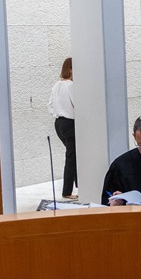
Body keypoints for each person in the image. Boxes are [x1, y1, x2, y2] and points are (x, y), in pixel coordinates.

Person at [48, 57, 76, 200]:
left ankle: (78, 186)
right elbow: (78, 104)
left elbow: (50, 105)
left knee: (74, 155)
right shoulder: (71, 85)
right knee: (72, 157)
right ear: (70, 70)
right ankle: (67, 192)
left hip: (59, 123)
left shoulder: (57, 85)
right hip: (70, 123)